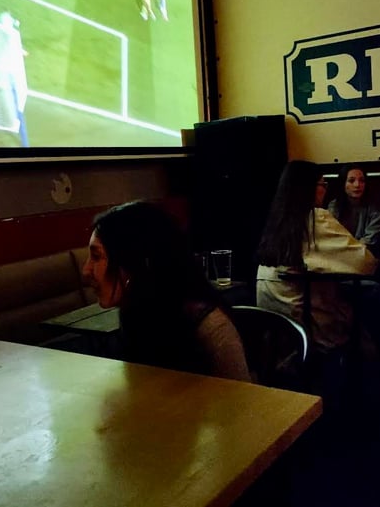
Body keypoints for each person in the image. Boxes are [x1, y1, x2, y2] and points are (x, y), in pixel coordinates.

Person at [80, 201, 251, 381]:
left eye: (97, 256)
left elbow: (241, 404)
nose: (86, 270)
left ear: (137, 262)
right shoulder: (136, 314)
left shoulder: (210, 327)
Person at [256, 161, 377, 407]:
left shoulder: (277, 220)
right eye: (322, 184)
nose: (325, 189)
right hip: (312, 330)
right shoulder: (315, 218)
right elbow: (366, 263)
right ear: (309, 189)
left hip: (277, 336)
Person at [327, 164, 380, 258]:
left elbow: (370, 239)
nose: (357, 185)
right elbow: (331, 236)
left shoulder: (373, 207)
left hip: (364, 254)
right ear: (343, 183)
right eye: (351, 181)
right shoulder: (334, 206)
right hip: (339, 254)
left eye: (362, 181)